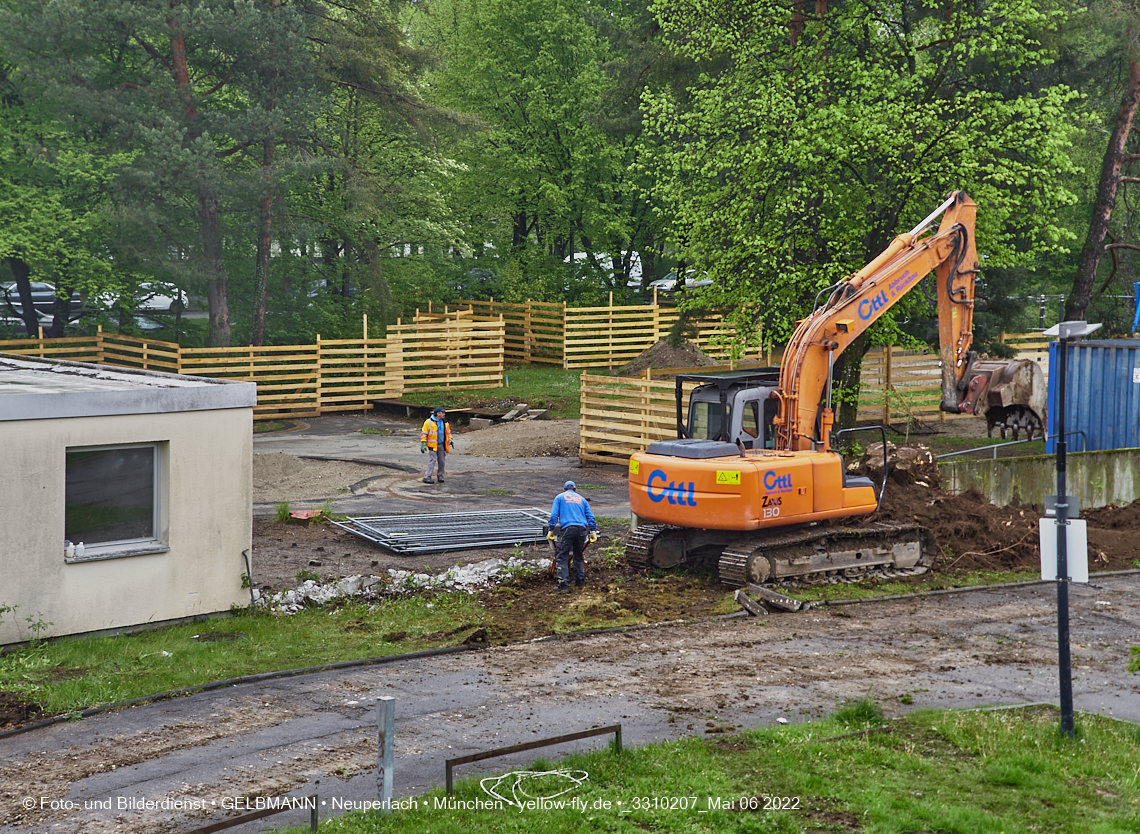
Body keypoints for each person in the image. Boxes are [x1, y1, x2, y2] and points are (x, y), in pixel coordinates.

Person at [547, 480, 598, 592]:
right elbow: (590, 516)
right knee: (578, 555)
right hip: (581, 530)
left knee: (561, 555)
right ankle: (579, 581)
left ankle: (563, 585)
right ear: (575, 490)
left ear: (564, 489)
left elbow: (554, 515)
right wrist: (593, 530)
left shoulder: (559, 498)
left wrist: (551, 529)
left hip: (568, 529)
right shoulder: (582, 499)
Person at [420, 407, 453, 484]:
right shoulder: (428, 422)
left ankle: (441, 476)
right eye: (442, 413)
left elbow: (448, 432)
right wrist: (423, 443)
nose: (444, 414)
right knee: (432, 460)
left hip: (441, 444)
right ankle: (427, 477)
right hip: (433, 444)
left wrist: (450, 439)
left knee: (442, 461)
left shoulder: (445, 422)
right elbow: (424, 433)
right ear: (438, 414)